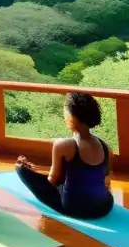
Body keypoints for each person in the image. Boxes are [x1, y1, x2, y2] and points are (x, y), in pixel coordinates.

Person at [15, 91, 114, 219]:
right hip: (104, 207)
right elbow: (105, 180)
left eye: (65, 113)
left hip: (73, 208)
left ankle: (22, 167)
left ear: (73, 117)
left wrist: (29, 171)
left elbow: (53, 180)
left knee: (20, 169)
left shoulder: (62, 145)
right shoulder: (106, 147)